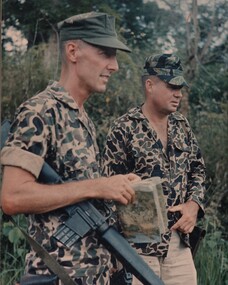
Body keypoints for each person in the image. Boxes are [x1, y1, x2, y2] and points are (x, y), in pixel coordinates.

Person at [1, 12, 141, 285]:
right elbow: (12, 197)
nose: (114, 66)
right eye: (105, 53)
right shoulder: (40, 110)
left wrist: (115, 187)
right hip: (57, 277)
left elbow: (80, 197)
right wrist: (98, 186)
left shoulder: (80, 117)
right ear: (73, 51)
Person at [102, 53, 206, 285]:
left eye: (180, 87)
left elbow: (197, 169)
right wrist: (114, 254)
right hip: (136, 248)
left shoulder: (182, 126)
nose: (178, 93)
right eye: (171, 86)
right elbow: (107, 193)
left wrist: (194, 205)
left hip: (179, 243)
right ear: (150, 85)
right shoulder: (124, 129)